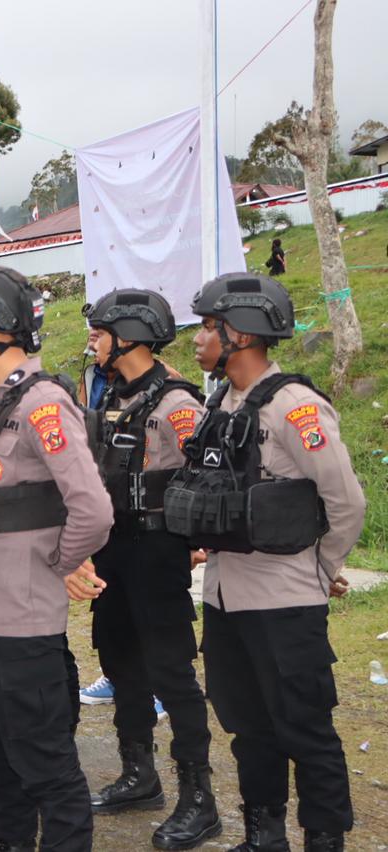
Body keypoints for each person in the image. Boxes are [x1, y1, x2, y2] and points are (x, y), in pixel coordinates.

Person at [168, 273, 365, 852]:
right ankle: (264, 836)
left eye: (209, 327)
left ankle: (324, 839)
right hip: (226, 598)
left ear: (244, 333)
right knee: (248, 727)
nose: (199, 339)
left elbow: (346, 502)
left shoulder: (295, 407)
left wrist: (321, 568)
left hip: (284, 602)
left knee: (305, 729)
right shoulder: (219, 404)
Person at [0, 265, 112, 851]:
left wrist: (58, 565)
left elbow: (92, 509)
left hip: (19, 621)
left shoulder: (41, 403)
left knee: (45, 768)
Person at [68, 290, 220, 849]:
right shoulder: (112, 393)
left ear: (129, 334)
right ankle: (139, 776)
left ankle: (198, 799)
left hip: (157, 554)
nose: (93, 338)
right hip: (114, 550)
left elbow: (208, 474)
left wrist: (198, 539)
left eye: (102, 330)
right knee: (120, 660)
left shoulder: (178, 402)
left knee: (171, 673)